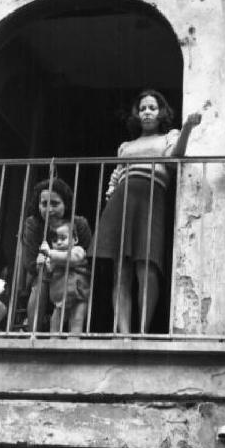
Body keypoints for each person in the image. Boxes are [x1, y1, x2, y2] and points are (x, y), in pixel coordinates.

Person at [92, 89, 201, 334]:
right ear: (137, 115)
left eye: (152, 107)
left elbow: (176, 157)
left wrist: (187, 128)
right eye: (142, 109)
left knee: (147, 267)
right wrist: (110, 191)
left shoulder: (169, 137)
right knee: (122, 269)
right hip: (122, 199)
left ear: (161, 112)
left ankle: (142, 330)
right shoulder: (126, 146)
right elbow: (117, 173)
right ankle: (124, 334)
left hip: (152, 197)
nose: (147, 112)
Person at [22, 178, 92, 331]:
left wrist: (53, 258)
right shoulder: (33, 224)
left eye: (55, 203)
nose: (49, 209)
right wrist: (51, 266)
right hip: (46, 274)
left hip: (75, 275)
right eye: (44, 204)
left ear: (65, 204)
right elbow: (30, 264)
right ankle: (34, 332)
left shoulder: (79, 224)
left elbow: (87, 258)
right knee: (40, 280)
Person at [37, 221, 90, 333]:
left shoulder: (78, 250)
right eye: (55, 240)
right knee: (55, 322)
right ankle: (53, 343)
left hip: (79, 295)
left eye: (63, 238)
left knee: (77, 321)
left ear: (75, 239)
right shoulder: (53, 255)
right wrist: (42, 262)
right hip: (60, 297)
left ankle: (73, 344)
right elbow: (48, 270)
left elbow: (72, 259)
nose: (59, 242)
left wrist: (50, 253)